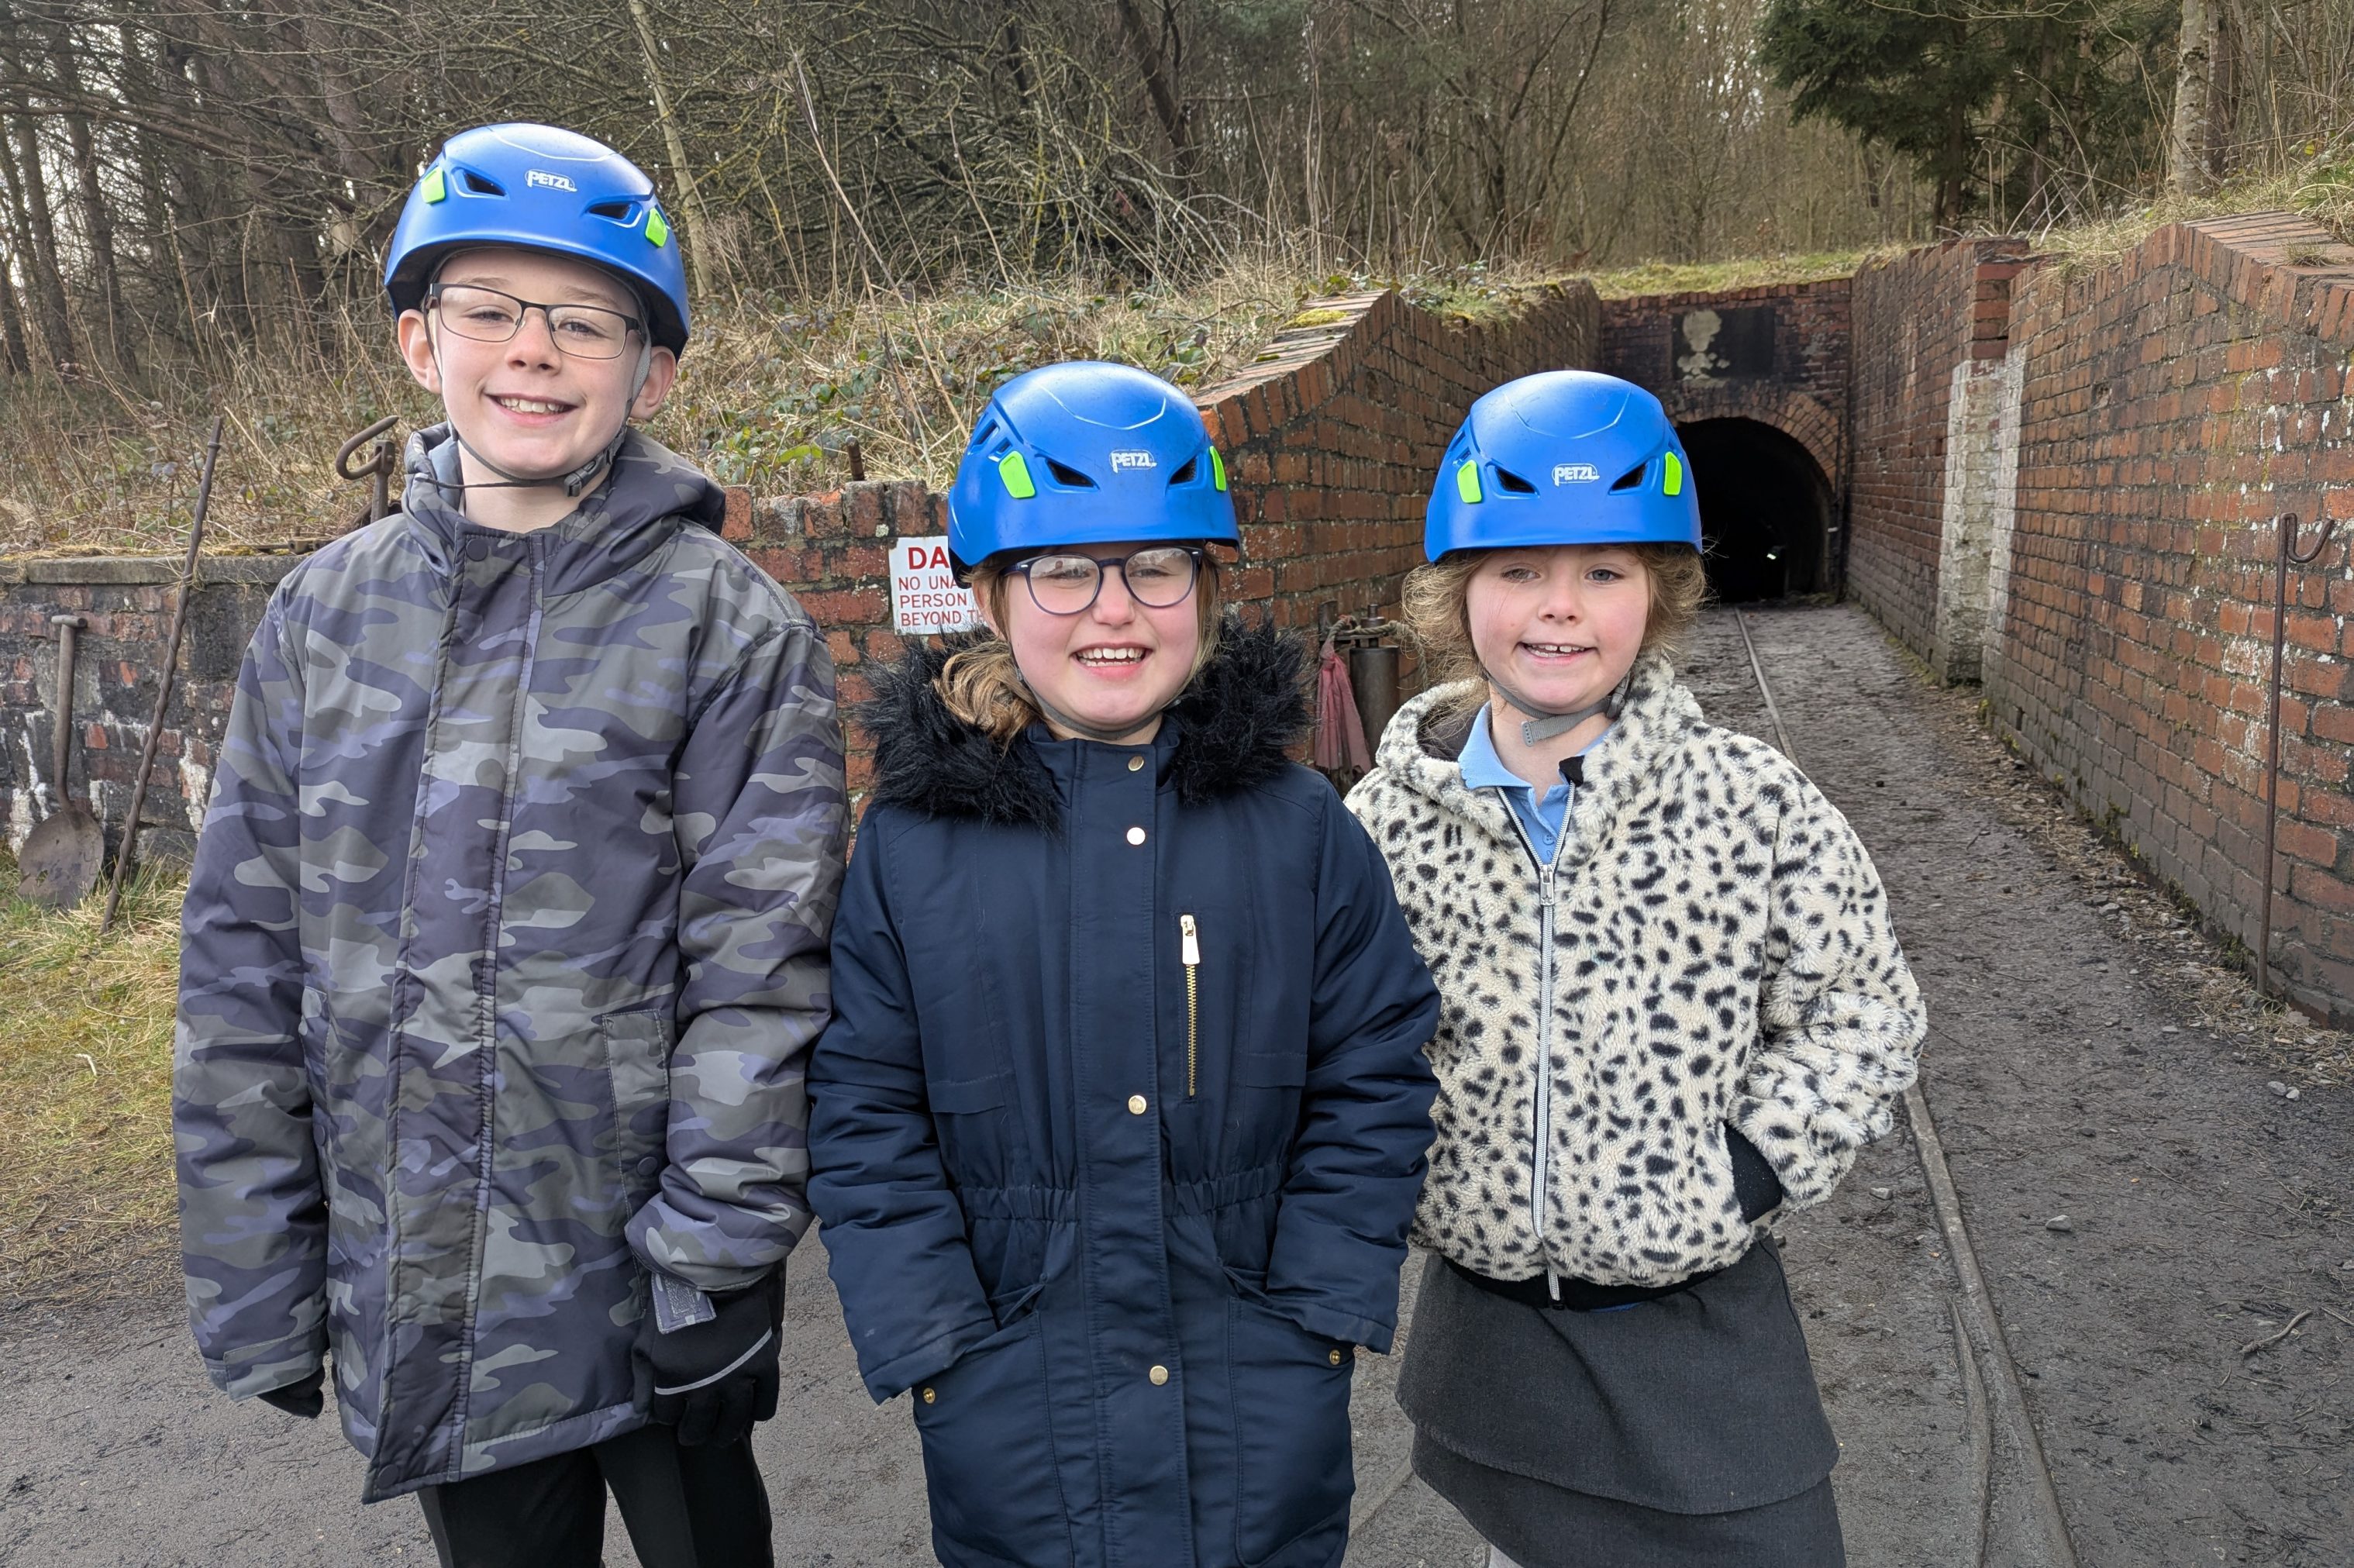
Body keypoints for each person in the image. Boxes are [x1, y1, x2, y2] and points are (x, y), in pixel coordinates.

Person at [173, 122, 848, 1568]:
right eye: (488, 310)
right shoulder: (320, 620)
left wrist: (719, 1263)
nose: (532, 351)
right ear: (421, 342)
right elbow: (239, 957)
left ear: (648, 371)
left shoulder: (727, 629)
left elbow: (761, 970)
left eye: (585, 321)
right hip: (429, 1298)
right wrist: (258, 1264)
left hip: (647, 1288)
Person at [805, 361, 1442, 1568]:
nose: (1114, 610)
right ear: (990, 595)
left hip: (1256, 1387)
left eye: (1157, 566)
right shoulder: (910, 847)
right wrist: (937, 1343)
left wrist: (1314, 1308)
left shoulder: (1302, 828)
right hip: (1011, 1396)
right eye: (1061, 568)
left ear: (1205, 588)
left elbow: (1377, 1066)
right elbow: (861, 1109)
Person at [1345, 370, 1928, 1568]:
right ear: (1457, 597)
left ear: (1658, 596)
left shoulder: (1752, 804)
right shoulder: (1381, 826)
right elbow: (1333, 1036)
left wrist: (1750, 1168)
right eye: (1516, 571)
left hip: (1698, 1331)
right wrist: (1414, 1172)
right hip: (1492, 1336)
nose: (1557, 611)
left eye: (1601, 573)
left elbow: (1863, 1009)